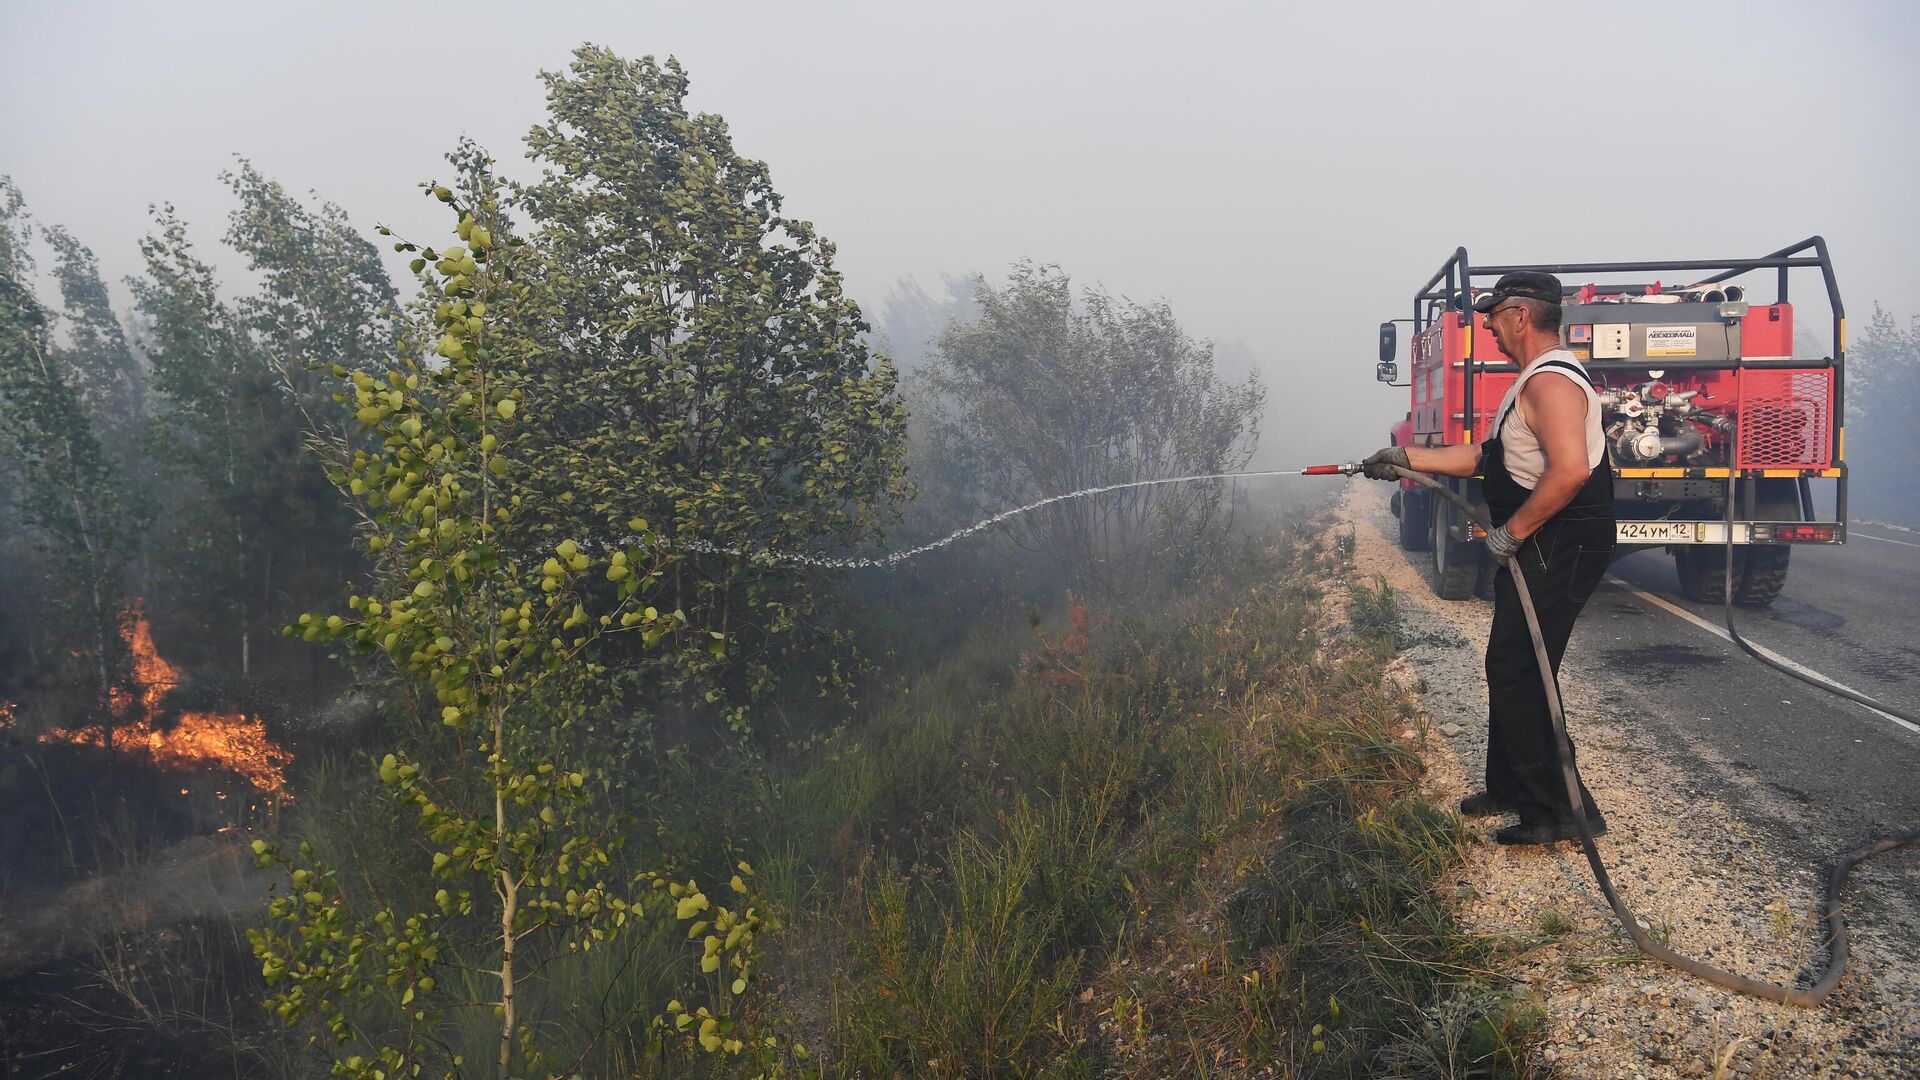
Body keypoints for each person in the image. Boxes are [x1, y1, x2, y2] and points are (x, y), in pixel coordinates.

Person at [1361, 270, 1614, 845]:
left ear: (1521, 315)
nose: (1489, 327)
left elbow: (1571, 470)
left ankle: (1560, 812)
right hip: (1544, 540)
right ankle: (1509, 786)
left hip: (1561, 541)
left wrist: (1513, 531)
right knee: (1509, 661)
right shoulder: (1533, 379)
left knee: (1521, 668)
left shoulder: (1551, 382)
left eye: (1493, 315)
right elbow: (1488, 457)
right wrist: (1409, 458)